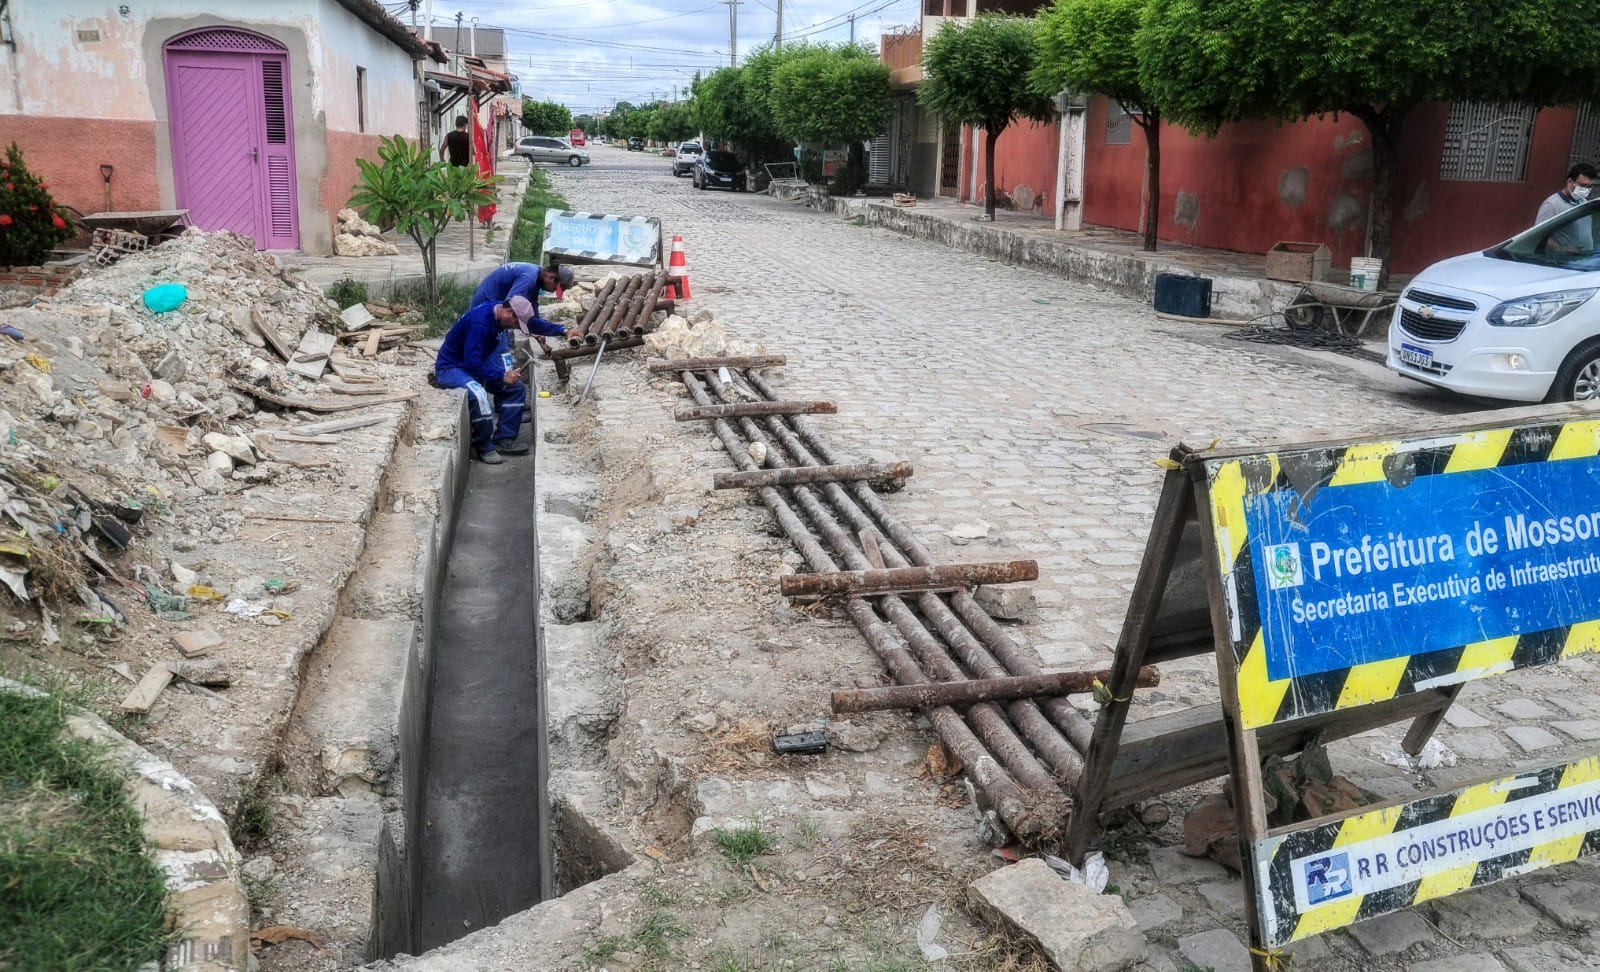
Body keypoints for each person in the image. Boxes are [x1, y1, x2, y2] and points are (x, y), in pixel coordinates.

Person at [434, 296, 546, 464]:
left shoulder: (496, 312)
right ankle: (483, 446)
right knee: (479, 395)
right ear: (509, 312)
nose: (514, 327)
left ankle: (504, 439)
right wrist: (501, 376)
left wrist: (503, 375)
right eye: (516, 323)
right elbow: (472, 361)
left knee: (516, 389)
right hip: (452, 368)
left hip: (471, 365)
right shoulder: (480, 324)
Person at [1536, 163, 1598, 253]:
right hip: (1561, 262)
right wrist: (1559, 249)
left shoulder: (1583, 202)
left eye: (1589, 186)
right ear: (1570, 182)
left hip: (1583, 261)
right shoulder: (1552, 205)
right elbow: (1538, 236)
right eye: (1582, 185)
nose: (1586, 190)